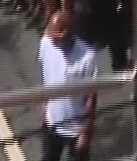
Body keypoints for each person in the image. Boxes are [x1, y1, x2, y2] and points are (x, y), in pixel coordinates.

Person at [37, 10, 100, 161]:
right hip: (52, 123)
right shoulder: (46, 43)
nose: (53, 41)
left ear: (68, 33)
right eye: (50, 35)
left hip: (76, 130)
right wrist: (45, 106)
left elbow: (91, 98)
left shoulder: (87, 56)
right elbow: (47, 77)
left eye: (57, 37)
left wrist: (85, 133)